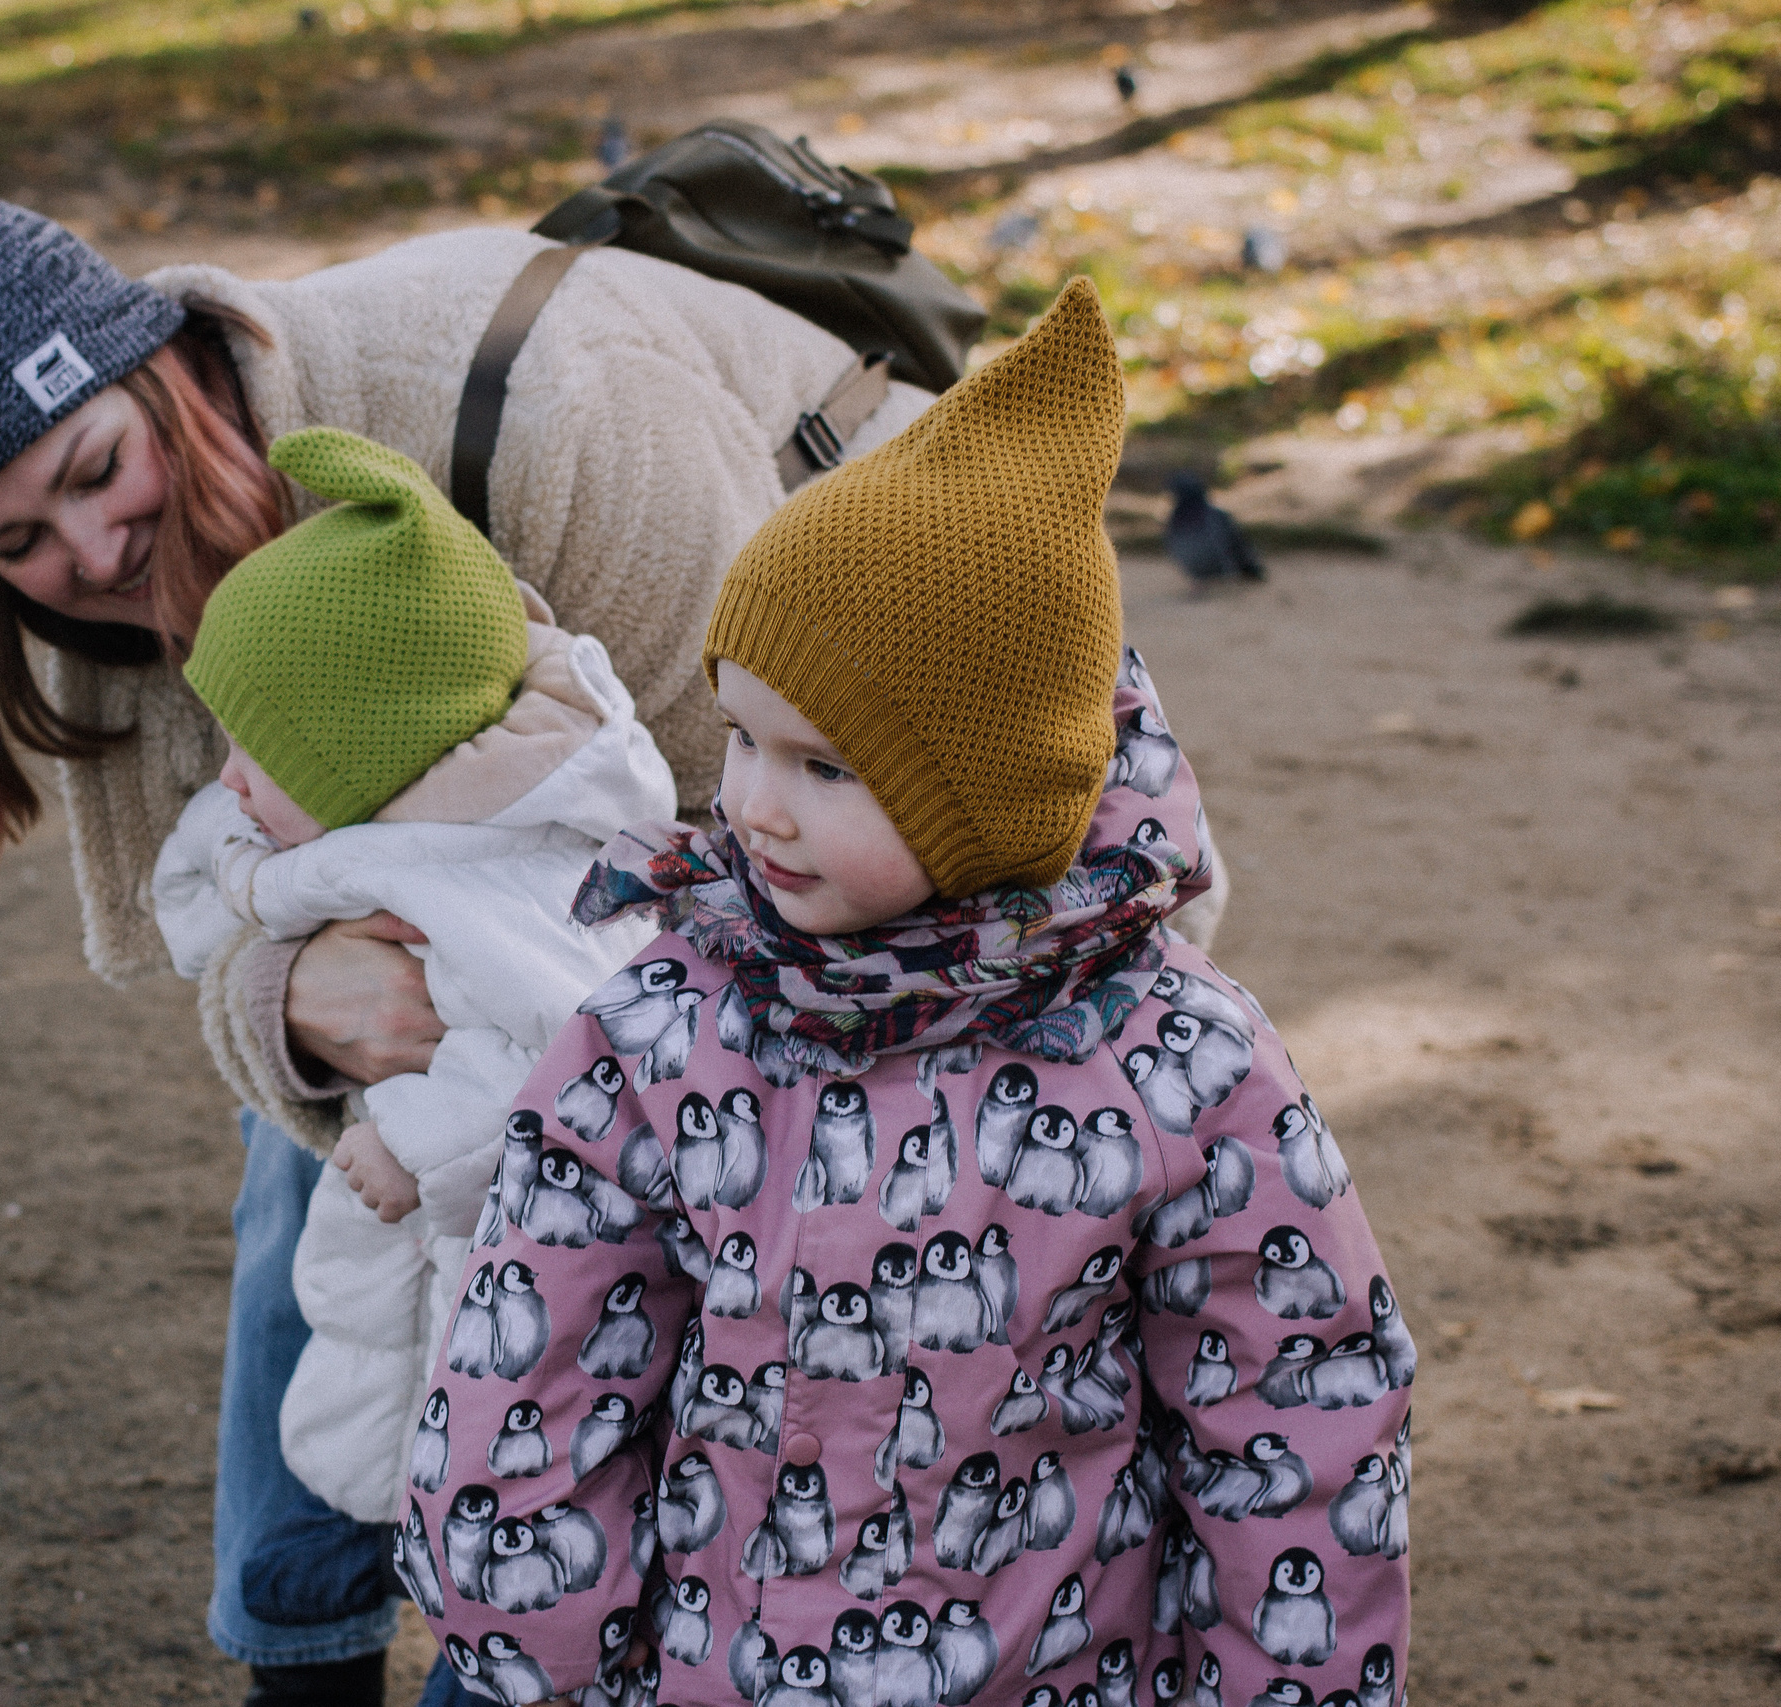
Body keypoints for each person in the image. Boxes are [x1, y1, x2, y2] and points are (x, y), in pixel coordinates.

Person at [0, 154, 1233, 1705]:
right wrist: (299, 999)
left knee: (635, 1228)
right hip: (571, 829)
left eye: (91, 472)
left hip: (875, 759)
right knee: (330, 1161)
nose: (84, 555)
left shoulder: (546, 411)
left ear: (163, 369)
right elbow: (216, 923)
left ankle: (537, 1653)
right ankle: (301, 1652)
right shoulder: (102, 591)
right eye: (13, 542)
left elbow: (754, 832)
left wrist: (538, 1076)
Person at [410, 282, 1408, 1706]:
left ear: (987, 796)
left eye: (824, 765)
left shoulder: (1181, 1065)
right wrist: (542, 1655)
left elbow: (1299, 1413)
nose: (752, 802)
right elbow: (539, 1358)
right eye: (740, 733)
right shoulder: (668, 1024)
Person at [155, 422, 677, 1550]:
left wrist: (422, 1144)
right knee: (377, 1396)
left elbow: (569, 1037)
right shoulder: (377, 813)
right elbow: (215, 872)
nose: (228, 781)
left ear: (373, 759)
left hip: (513, 1244)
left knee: (491, 1447)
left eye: (260, 758)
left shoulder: (508, 866)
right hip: (408, 1240)